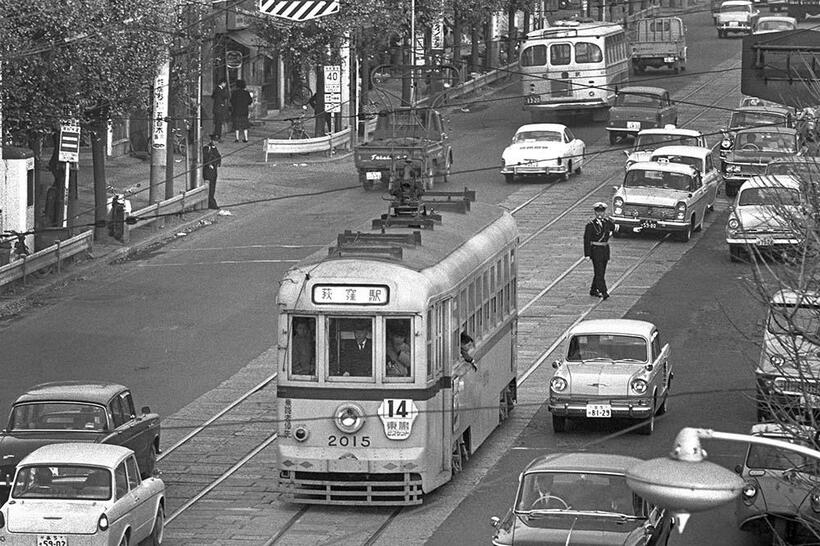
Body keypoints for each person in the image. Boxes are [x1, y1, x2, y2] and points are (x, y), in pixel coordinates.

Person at [583, 202, 638, 300]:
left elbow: (618, 228)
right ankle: (603, 291)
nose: (600, 214)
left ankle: (593, 289)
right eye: (598, 212)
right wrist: (587, 254)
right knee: (599, 272)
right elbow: (586, 240)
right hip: (596, 251)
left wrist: (633, 229)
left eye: (602, 212)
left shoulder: (607, 222)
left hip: (604, 251)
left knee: (601, 271)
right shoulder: (590, 225)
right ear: (595, 212)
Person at [202, 134, 221, 210]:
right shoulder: (207, 148)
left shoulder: (214, 148)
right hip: (208, 171)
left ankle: (211, 202)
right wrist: (209, 164)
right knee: (209, 187)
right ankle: (210, 203)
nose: (215, 142)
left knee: (213, 187)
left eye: (216, 141)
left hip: (214, 171)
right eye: (214, 140)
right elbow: (205, 158)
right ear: (211, 140)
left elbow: (218, 157)